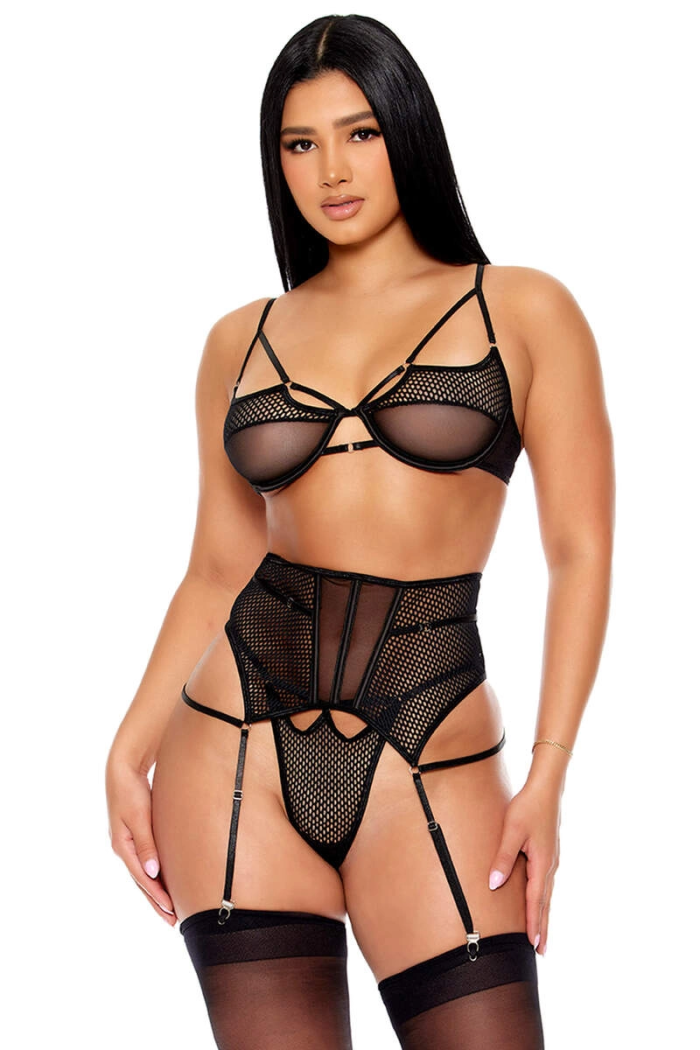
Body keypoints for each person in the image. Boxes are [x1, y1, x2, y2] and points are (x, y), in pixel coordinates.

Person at [105, 13, 614, 1049]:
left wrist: (550, 773)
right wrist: (128, 747)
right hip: (232, 742)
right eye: (300, 143)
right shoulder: (240, 338)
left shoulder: (522, 308)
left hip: (433, 742)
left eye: (360, 132)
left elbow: (579, 552)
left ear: (407, 132)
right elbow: (218, 566)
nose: (331, 169)